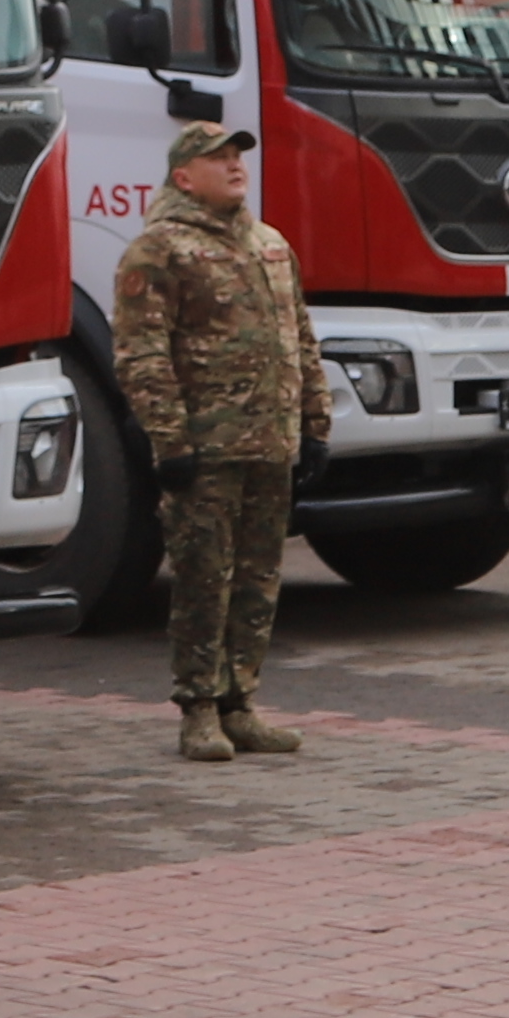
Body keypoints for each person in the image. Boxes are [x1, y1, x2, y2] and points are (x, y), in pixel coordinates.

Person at [110, 117, 324, 761]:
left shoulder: (270, 245)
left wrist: (314, 424)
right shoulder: (159, 249)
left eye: (238, 156)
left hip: (271, 443)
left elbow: (302, 341)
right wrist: (169, 442)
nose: (235, 166)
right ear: (184, 176)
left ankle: (241, 704)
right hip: (206, 447)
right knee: (205, 578)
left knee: (259, 580)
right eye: (218, 158)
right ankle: (198, 708)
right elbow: (141, 353)